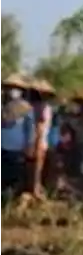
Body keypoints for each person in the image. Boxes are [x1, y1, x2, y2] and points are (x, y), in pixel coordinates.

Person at [0, 74, 35, 204]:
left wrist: (29, 146)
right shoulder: (3, 108)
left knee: (15, 178)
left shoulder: (27, 109)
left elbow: (30, 130)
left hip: (18, 148)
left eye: (16, 88)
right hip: (2, 146)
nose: (12, 90)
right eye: (10, 87)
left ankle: (11, 202)